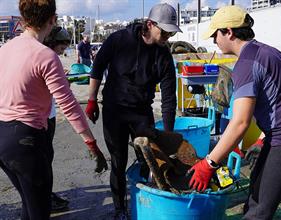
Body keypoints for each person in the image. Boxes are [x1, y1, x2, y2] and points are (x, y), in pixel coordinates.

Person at [189, 5, 281, 220]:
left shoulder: (246, 64)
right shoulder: (269, 51)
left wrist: (209, 163)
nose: (214, 41)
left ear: (229, 32)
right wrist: (263, 138)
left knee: (258, 207)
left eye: (215, 35)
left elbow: (240, 123)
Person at [0, 1, 107, 219]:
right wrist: (91, 143)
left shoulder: (6, 48)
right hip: (25, 140)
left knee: (29, 207)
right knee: (39, 211)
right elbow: (68, 104)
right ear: (52, 20)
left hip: (2, 137)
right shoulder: (46, 56)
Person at [85, 3, 181, 218]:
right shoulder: (119, 40)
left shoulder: (164, 56)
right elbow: (98, 66)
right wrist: (91, 99)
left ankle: (144, 199)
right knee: (118, 162)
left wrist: (168, 133)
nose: (167, 36)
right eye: (164, 31)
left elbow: (168, 98)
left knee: (148, 159)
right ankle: (120, 209)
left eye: (171, 32)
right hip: (114, 111)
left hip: (141, 114)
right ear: (150, 24)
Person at [43, 26, 72, 212]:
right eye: (61, 49)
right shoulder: (46, 58)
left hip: (49, 114)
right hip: (43, 118)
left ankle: (46, 193)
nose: (62, 53)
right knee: (44, 160)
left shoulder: (49, 57)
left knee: (47, 157)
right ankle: (44, 197)